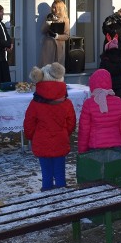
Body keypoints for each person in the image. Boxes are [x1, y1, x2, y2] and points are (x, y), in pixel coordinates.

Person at [23, 62, 76, 191]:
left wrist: (31, 136)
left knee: (46, 171)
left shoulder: (35, 103)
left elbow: (29, 123)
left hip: (42, 141)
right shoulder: (66, 102)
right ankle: (61, 191)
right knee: (60, 169)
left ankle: (46, 191)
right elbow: (71, 123)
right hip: (60, 140)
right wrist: (65, 133)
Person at [77, 69, 121, 154]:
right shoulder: (119, 103)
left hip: (95, 147)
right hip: (116, 146)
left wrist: (82, 150)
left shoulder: (88, 104)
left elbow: (84, 130)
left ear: (93, 84)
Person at [39, 0, 70, 67]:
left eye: (55, 7)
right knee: (47, 67)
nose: (53, 9)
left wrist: (57, 36)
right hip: (49, 45)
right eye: (52, 7)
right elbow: (42, 31)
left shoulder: (65, 19)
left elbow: (67, 36)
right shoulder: (49, 17)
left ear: (60, 8)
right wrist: (48, 22)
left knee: (57, 69)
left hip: (59, 47)